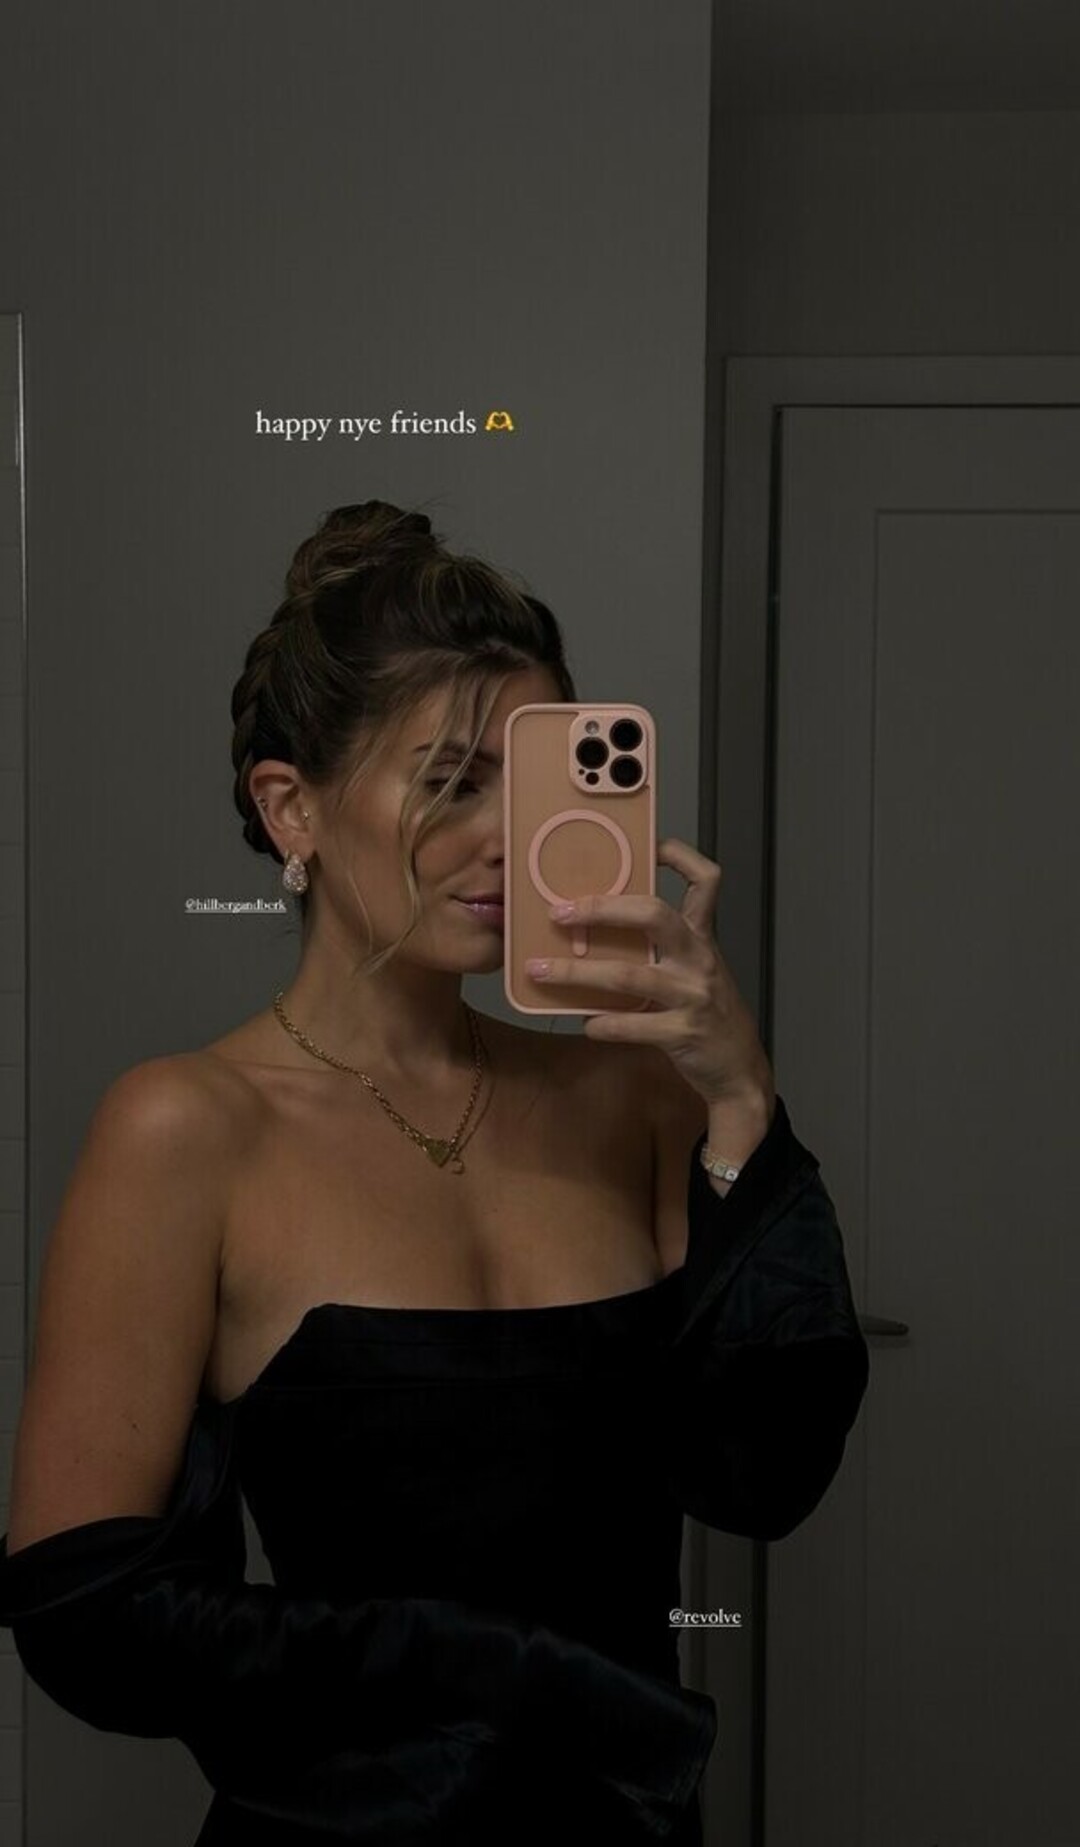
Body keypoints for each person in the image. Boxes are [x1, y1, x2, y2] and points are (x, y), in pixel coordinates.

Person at [0, 501, 870, 1845]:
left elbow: (765, 1476)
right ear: (291, 806)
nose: (508, 840)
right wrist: (500, 1675)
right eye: (454, 783)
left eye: (537, 788)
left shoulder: (634, 1097)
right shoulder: (185, 1129)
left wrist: (743, 1099)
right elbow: (84, 1611)